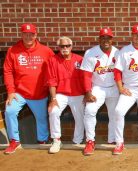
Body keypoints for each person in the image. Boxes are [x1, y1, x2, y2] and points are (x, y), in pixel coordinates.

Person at [3, 23, 54, 154]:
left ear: (36, 35)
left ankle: (42, 141)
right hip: (19, 93)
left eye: (31, 34)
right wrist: (10, 91)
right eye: (25, 34)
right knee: (9, 111)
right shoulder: (12, 50)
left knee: (42, 119)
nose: (28, 37)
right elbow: (8, 71)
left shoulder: (46, 51)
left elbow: (53, 70)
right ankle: (14, 140)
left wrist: (52, 92)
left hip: (38, 93)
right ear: (21, 34)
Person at [112, 24, 138, 155]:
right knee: (118, 111)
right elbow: (117, 71)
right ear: (132, 35)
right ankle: (119, 142)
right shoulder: (124, 51)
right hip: (129, 89)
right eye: (135, 34)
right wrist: (120, 88)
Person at [80, 28, 119, 156]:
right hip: (98, 87)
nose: (106, 40)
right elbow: (86, 75)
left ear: (112, 40)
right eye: (103, 38)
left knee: (115, 115)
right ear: (99, 39)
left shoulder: (118, 53)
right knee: (90, 111)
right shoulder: (90, 53)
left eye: (108, 38)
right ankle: (90, 141)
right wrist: (87, 92)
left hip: (114, 87)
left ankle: (112, 140)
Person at [47, 36, 85, 154]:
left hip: (78, 93)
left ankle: (77, 141)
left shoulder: (80, 59)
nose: (65, 48)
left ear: (71, 46)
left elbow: (86, 78)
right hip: (61, 94)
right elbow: (51, 81)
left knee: (80, 117)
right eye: (62, 46)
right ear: (58, 47)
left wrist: (87, 93)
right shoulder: (52, 60)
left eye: (67, 46)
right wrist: (53, 98)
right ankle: (56, 139)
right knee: (53, 111)